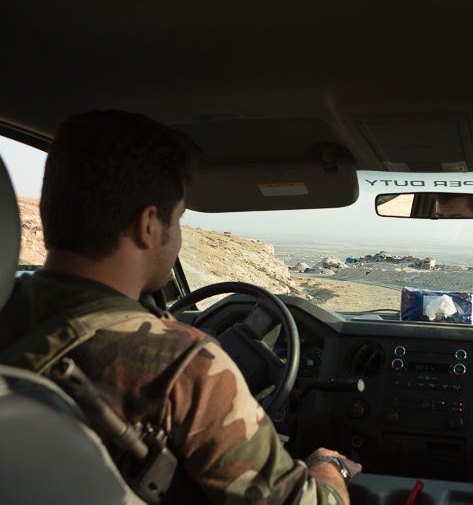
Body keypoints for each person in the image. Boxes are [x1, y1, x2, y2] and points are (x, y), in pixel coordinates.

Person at [0, 110, 361, 504]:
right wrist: (329, 468)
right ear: (150, 225)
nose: (178, 236)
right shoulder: (184, 365)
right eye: (179, 220)